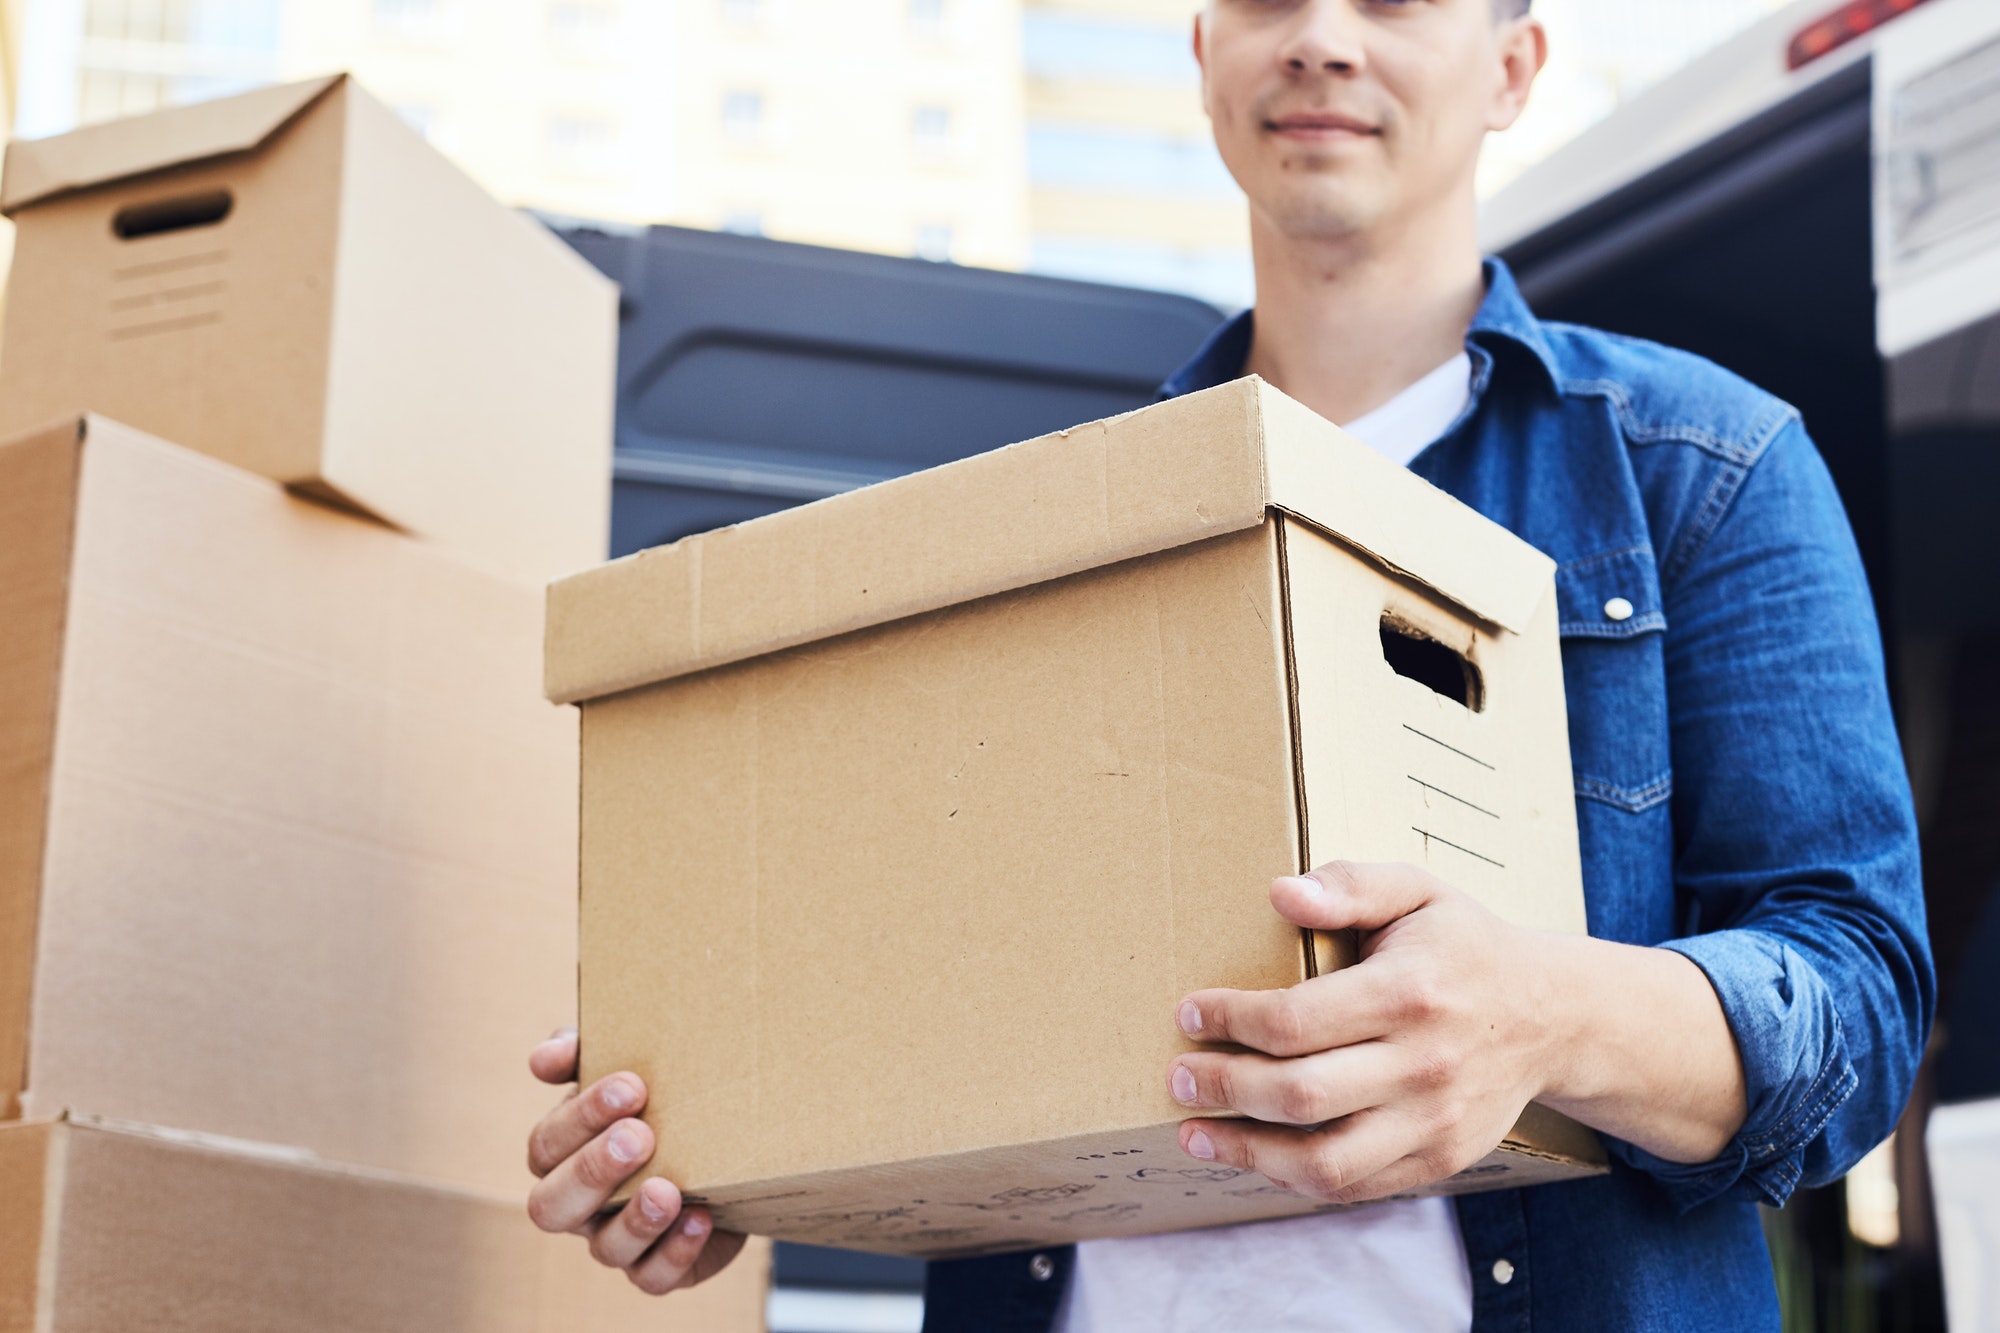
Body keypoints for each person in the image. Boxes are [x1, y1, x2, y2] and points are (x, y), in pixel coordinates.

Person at [523, 1, 1935, 1328]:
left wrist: (1551, 1017)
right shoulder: (1044, 531)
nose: (1320, 40)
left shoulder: (1704, 471)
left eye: (1392, 1)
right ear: (1202, 55)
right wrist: (722, 1130)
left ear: (1513, 68)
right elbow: (936, 991)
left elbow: (1860, 1002)